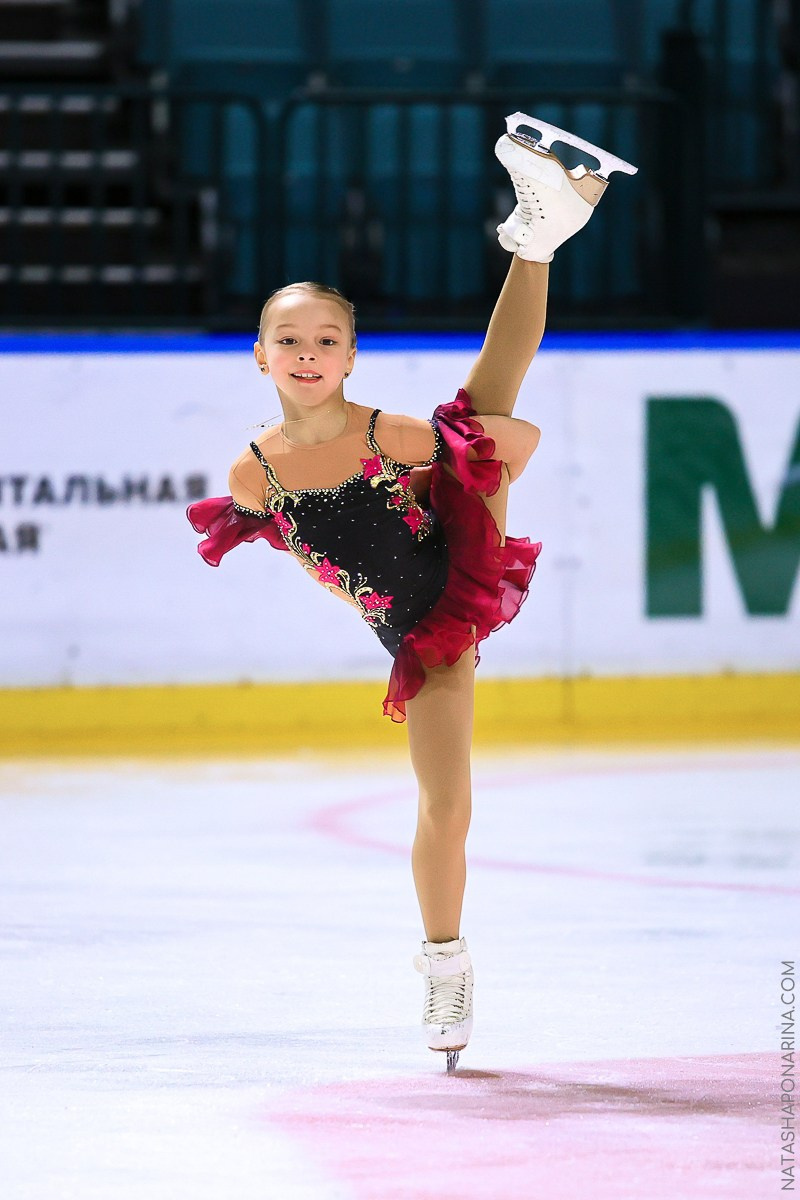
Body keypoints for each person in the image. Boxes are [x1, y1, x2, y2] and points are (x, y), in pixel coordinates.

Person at [188, 112, 637, 1073]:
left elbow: (511, 446)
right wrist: (382, 612)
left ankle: (443, 970)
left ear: (351, 357)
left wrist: (473, 489)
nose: (308, 354)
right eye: (289, 339)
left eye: (328, 339)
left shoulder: (387, 434)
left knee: (486, 406)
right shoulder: (250, 474)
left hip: (455, 573)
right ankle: (539, 232)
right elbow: (320, 560)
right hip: (410, 623)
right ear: (259, 356)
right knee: (443, 803)